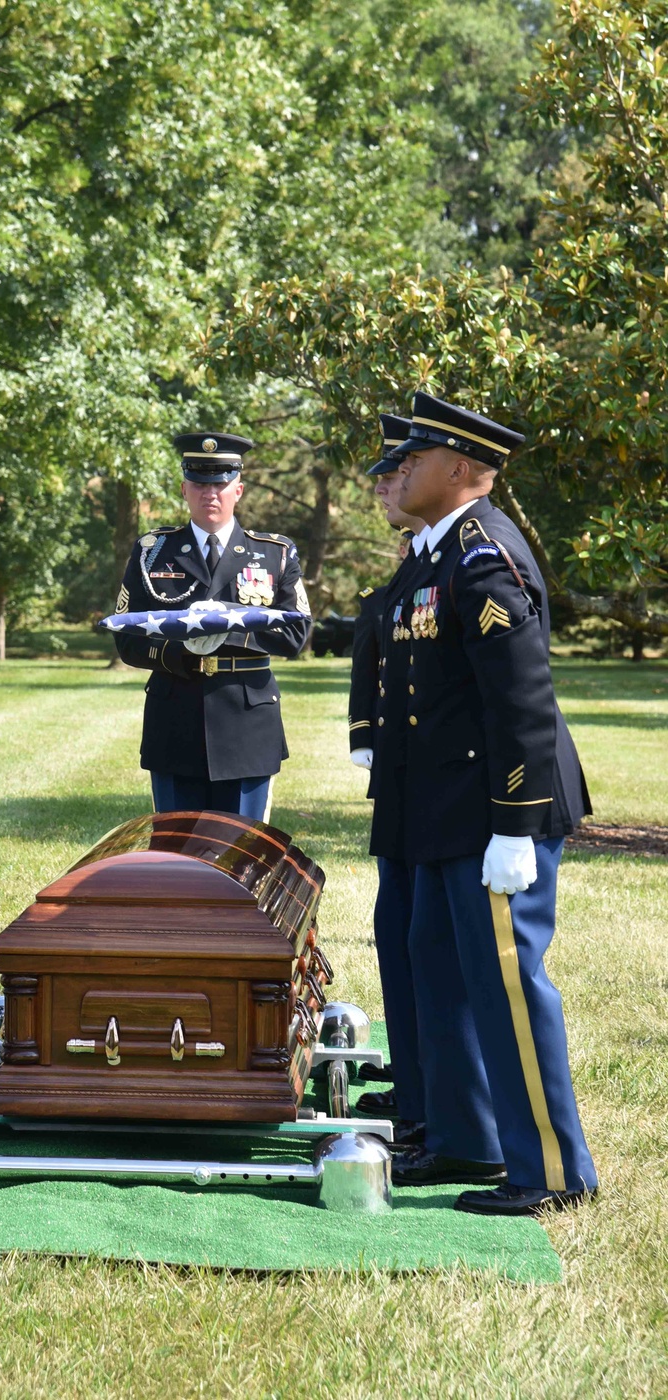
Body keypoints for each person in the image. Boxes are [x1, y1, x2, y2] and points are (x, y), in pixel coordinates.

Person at [378, 391, 596, 1215]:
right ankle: (467, 1139)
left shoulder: (482, 555)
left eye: (420, 459)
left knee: (507, 985)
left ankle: (551, 1169)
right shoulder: (440, 555)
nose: (403, 470)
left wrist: (515, 825)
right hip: (449, 811)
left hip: (497, 811)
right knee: (444, 972)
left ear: (464, 470)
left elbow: (523, 702)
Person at [114, 432, 310, 820]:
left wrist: (226, 626)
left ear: (239, 489)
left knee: (242, 860)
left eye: (221, 482)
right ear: (184, 489)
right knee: (176, 859)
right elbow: (127, 636)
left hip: (246, 725)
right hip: (175, 721)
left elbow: (295, 635)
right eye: (200, 483)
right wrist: (182, 650)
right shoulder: (153, 551)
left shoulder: (273, 553)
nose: (211, 493)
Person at [347, 415, 427, 1147]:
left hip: (439, 798)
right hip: (408, 793)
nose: (382, 484)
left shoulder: (462, 562)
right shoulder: (415, 572)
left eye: (397, 469)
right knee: (399, 936)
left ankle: (428, 1098)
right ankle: (418, 1089)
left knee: (420, 944)